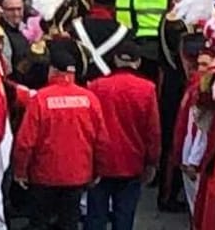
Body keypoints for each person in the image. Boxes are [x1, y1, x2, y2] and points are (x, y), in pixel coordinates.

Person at [13, 41, 103, 230]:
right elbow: (101, 139)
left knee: (39, 222)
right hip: (78, 174)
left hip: (44, 174)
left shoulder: (40, 99)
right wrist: (97, 170)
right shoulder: (89, 98)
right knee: (69, 222)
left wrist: (20, 171)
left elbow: (25, 141)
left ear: (52, 70)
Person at [86, 44, 161, 230]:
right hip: (132, 162)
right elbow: (153, 130)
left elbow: (89, 127)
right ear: (138, 62)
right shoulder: (147, 89)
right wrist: (152, 162)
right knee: (124, 216)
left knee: (95, 215)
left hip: (100, 162)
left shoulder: (96, 86)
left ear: (115, 60)